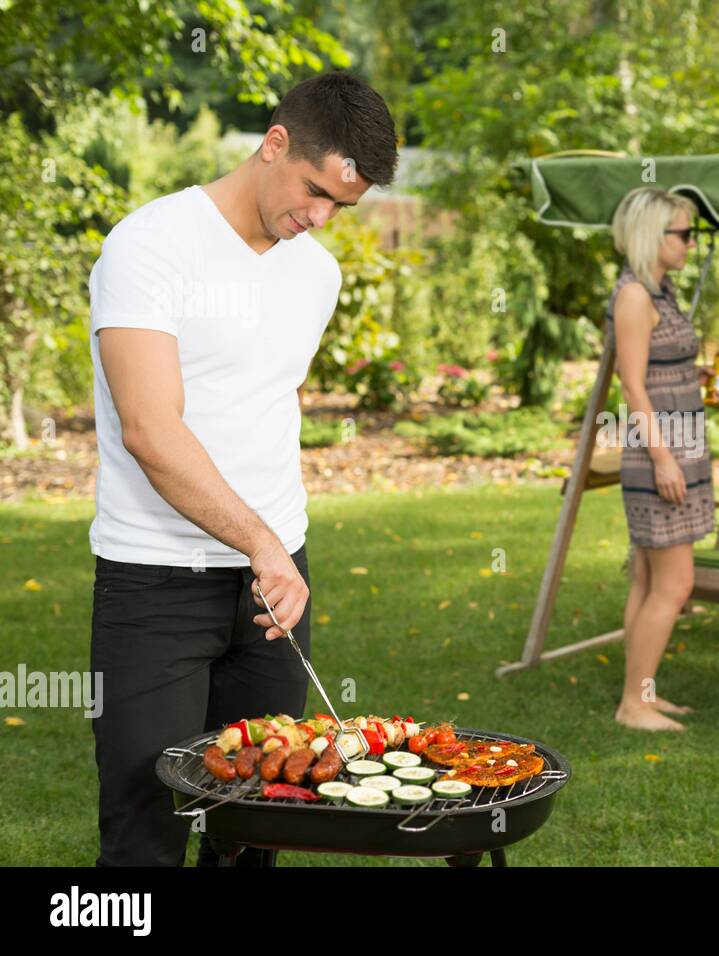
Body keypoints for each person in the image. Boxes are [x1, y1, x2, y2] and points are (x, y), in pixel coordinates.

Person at [88, 72, 398, 865]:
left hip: (274, 581)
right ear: (274, 143)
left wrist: (277, 546)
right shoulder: (150, 246)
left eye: (342, 207)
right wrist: (259, 541)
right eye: (313, 191)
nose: (320, 218)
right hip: (155, 579)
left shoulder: (317, 273)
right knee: (146, 826)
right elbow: (152, 432)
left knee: (261, 820)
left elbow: (262, 403)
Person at [607, 187, 717, 732]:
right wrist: (664, 460)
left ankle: (642, 693)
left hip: (680, 449)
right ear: (655, 234)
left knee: (650, 583)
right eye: (683, 233)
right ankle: (634, 705)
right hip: (662, 456)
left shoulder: (660, 292)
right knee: (674, 586)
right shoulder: (635, 297)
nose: (692, 242)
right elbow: (632, 385)